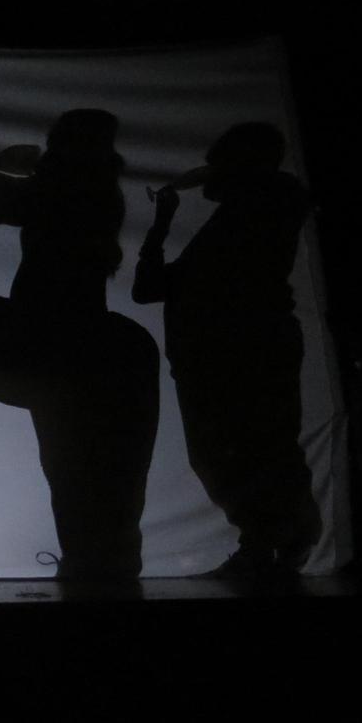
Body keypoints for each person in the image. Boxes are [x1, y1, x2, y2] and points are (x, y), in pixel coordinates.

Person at [0, 109, 160, 580]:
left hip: (48, 331)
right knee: (91, 460)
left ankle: (86, 561)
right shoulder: (101, 191)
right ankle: (105, 560)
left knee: (66, 461)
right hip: (85, 323)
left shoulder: (58, 189)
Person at [132, 121, 320, 578]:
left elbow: (155, 286)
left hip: (242, 354)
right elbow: (149, 288)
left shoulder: (271, 203)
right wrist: (161, 225)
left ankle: (273, 542)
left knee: (251, 448)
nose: (208, 173)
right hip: (209, 360)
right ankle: (279, 541)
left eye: (220, 162)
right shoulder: (237, 220)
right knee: (239, 450)